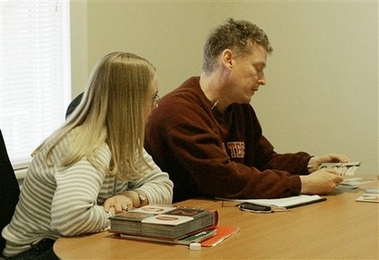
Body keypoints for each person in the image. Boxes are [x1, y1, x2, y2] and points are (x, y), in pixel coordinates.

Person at [144, 18, 348, 203]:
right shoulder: (179, 111)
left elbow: (264, 161)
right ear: (228, 60)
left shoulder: (239, 108)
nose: (263, 79)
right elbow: (224, 179)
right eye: (257, 68)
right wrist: (303, 184)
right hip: (184, 227)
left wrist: (309, 164)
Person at [1, 52, 173, 259]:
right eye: (153, 97)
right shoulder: (86, 146)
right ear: (130, 103)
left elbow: (163, 185)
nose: (156, 105)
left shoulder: (121, 140)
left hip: (73, 243)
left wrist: (132, 197)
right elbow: (71, 218)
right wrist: (123, 214)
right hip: (37, 251)